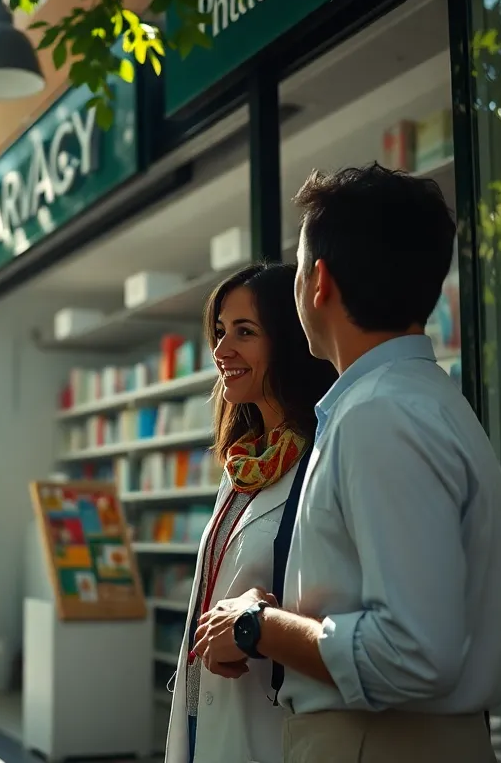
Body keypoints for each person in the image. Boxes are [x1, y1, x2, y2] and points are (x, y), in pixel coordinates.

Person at [191, 164, 501, 763]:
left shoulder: (378, 414)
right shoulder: (419, 400)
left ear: (319, 282)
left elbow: (412, 654)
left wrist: (256, 624)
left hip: (376, 740)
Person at [165, 262, 337, 763]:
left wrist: (259, 620)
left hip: (270, 726)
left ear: (287, 339)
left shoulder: (322, 462)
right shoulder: (242, 466)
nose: (222, 350)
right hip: (206, 714)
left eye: (245, 332)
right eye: (219, 332)